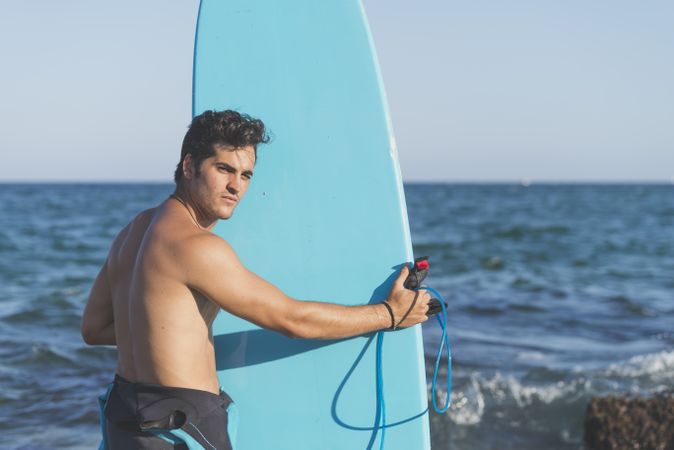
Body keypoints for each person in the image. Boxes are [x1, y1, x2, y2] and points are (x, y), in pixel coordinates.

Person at [81, 110, 431, 449]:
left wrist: (169, 327)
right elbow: (292, 320)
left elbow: (94, 329)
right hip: (180, 429)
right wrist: (389, 314)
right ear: (189, 166)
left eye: (246, 175)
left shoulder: (132, 232)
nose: (236, 186)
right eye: (224, 169)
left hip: (126, 421)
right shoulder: (198, 247)